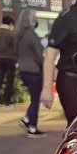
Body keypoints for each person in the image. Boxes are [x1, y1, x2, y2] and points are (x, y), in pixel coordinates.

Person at [15, 9, 46, 138]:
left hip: (23, 70)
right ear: (31, 20)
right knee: (35, 100)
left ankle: (27, 119)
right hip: (34, 71)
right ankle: (32, 127)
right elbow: (39, 56)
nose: (36, 20)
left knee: (34, 98)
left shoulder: (19, 35)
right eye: (35, 17)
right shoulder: (32, 35)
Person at [0, 15, 17, 107]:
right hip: (11, 59)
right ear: (10, 24)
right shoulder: (12, 34)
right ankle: (7, 101)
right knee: (9, 80)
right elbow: (15, 47)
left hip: (0, 58)